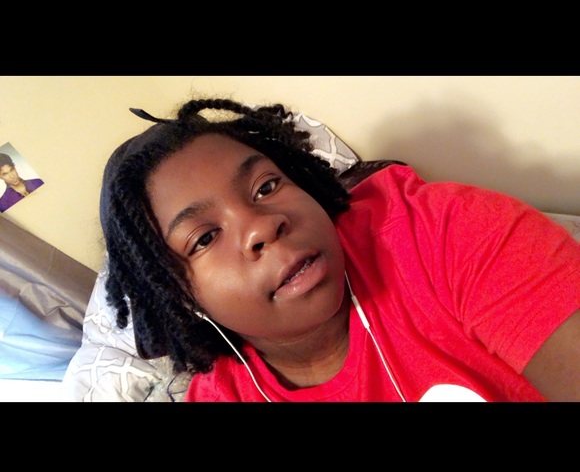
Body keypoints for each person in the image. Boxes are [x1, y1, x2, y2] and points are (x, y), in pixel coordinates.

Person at [99, 98, 580, 402]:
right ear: (181, 297)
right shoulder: (223, 396)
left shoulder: (441, 230)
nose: (262, 226)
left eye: (266, 186)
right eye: (204, 238)